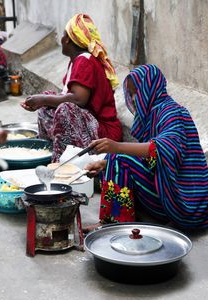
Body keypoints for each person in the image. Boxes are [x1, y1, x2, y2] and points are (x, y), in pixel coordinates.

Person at [85, 64, 208, 230]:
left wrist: (117, 147)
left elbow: (162, 149)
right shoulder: (154, 114)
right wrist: (104, 164)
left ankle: (112, 225)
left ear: (151, 87)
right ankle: (122, 217)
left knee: (120, 158)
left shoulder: (173, 113)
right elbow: (147, 159)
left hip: (185, 201)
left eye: (137, 91)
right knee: (113, 161)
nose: (134, 98)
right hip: (164, 189)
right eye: (131, 93)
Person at [21, 13, 122, 162]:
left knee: (64, 109)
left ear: (67, 39)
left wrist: (42, 99)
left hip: (103, 132)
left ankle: (61, 163)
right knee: (47, 103)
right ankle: (49, 150)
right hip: (87, 124)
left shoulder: (85, 61)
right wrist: (42, 100)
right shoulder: (78, 60)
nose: (61, 40)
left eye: (62, 35)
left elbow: (78, 100)